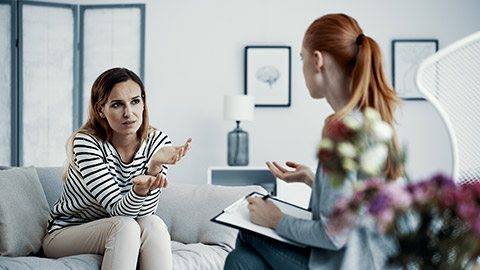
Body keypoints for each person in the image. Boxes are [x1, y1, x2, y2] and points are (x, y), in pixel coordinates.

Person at [224, 13, 403, 270]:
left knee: (248, 232)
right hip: (373, 260)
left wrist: (276, 220)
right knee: (239, 261)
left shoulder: (342, 130)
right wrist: (312, 179)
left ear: (317, 60)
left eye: (302, 59)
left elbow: (333, 234)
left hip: (350, 263)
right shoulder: (370, 120)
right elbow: (357, 202)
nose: (303, 67)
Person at [42, 67, 192, 270]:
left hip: (120, 229)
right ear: (100, 109)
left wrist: (154, 167)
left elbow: (145, 213)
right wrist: (139, 190)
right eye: (117, 104)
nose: (128, 113)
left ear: (144, 102)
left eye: (135, 101)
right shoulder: (87, 142)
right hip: (67, 233)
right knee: (125, 227)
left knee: (154, 224)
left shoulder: (157, 141)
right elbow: (119, 211)